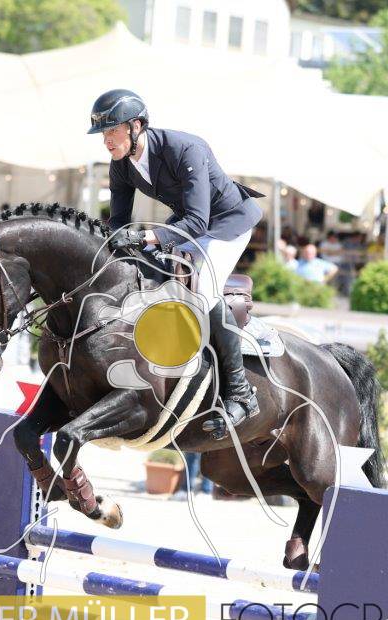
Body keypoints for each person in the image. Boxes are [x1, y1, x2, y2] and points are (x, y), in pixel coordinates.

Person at [92, 88, 265, 438]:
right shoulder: (121, 164)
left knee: (204, 290)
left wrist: (144, 237)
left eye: (113, 131)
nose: (107, 141)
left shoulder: (185, 149)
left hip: (227, 224)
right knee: (145, 272)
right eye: (103, 133)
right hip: (186, 225)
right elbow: (118, 222)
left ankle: (241, 393)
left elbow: (199, 222)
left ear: (136, 126)